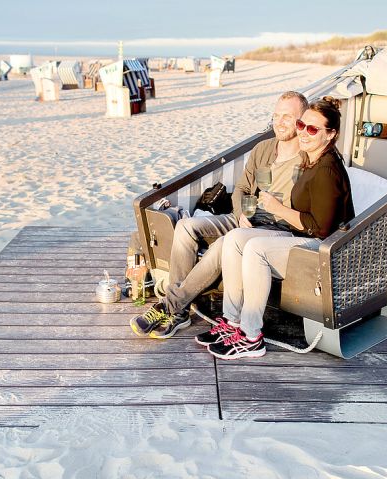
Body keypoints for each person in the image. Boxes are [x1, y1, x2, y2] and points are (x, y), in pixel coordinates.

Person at [130, 91, 309, 338]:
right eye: (276, 115)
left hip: (273, 229)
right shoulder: (264, 149)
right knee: (185, 227)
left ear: (302, 120)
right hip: (245, 218)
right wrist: (241, 213)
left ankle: (170, 306)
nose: (279, 122)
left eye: (287, 117)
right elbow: (243, 188)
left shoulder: (308, 158)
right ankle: (180, 312)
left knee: (225, 244)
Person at [198, 97, 354, 359]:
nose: (304, 132)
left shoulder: (327, 169)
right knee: (236, 238)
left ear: (331, 134)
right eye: (303, 125)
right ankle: (232, 321)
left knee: (256, 248)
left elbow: (322, 227)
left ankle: (251, 336)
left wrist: (277, 208)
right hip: (301, 236)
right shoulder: (311, 159)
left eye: (313, 129)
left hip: (324, 247)